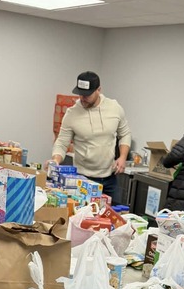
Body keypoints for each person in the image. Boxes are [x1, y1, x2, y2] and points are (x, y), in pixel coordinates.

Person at [52, 71, 131, 202]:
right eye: (80, 93)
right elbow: (61, 143)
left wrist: (122, 157)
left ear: (98, 90)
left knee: (115, 217)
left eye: (87, 95)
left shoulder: (114, 108)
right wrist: (55, 160)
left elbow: (125, 134)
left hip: (110, 178)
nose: (82, 98)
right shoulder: (72, 113)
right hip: (83, 180)